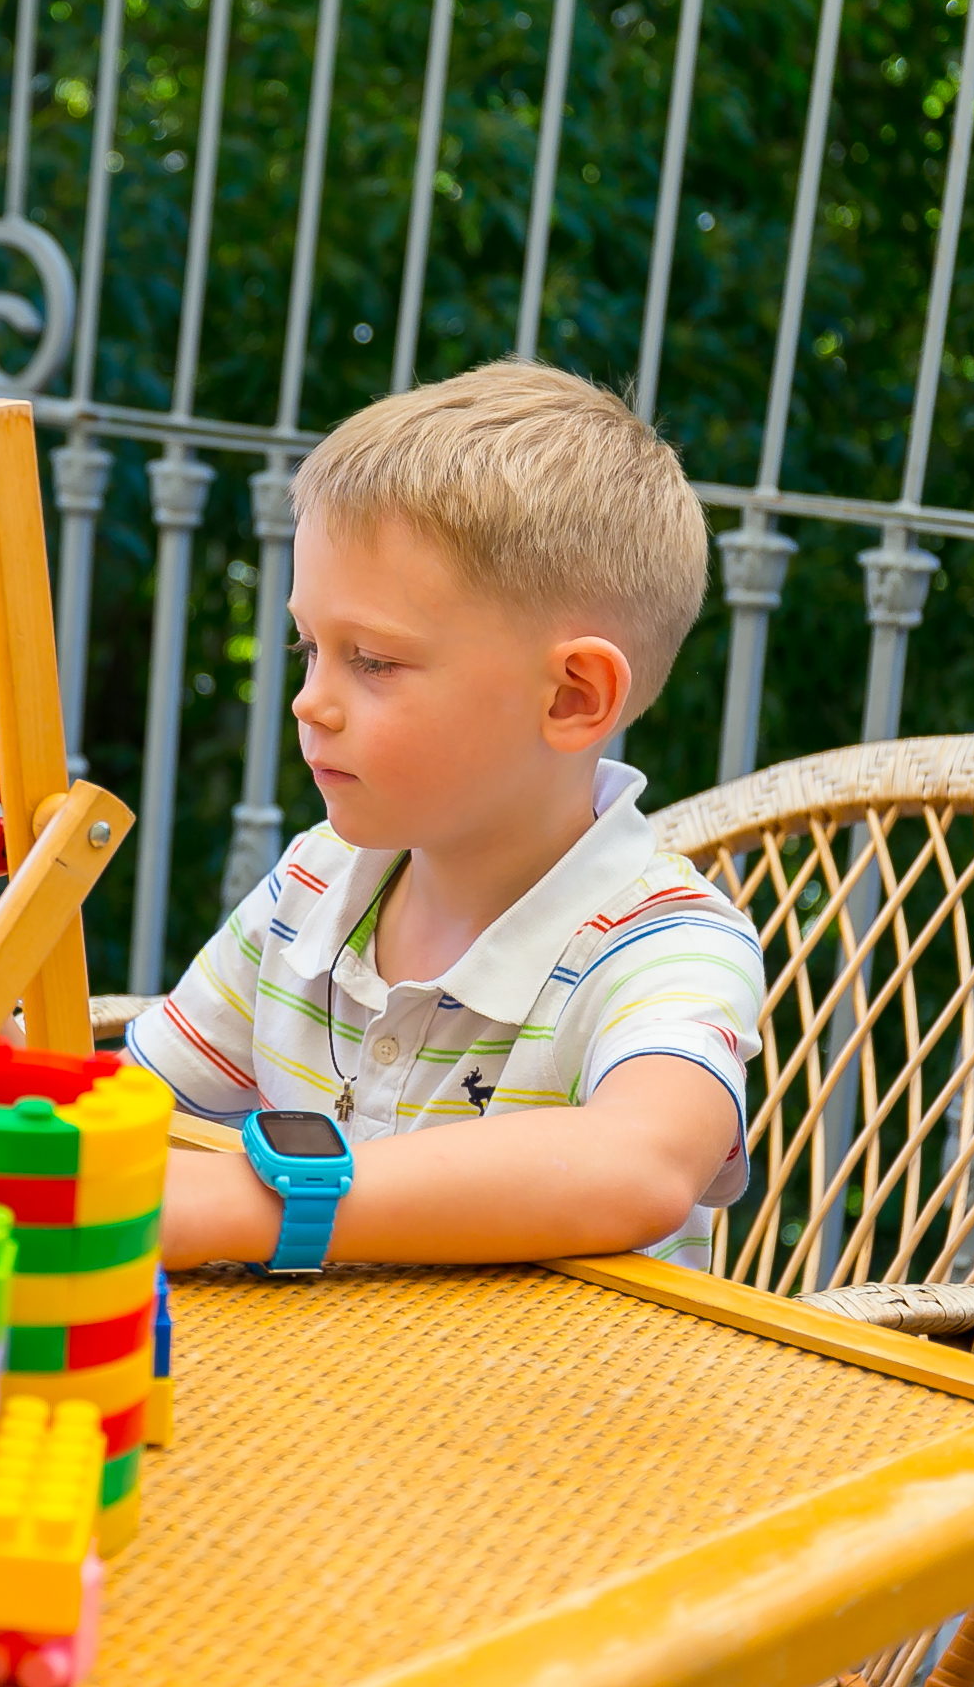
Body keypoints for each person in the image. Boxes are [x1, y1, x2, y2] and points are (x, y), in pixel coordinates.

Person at [132, 359, 764, 1274]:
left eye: (374, 661)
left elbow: (641, 1165)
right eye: (309, 648)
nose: (310, 701)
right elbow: (139, 1109)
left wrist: (261, 1207)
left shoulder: (667, 946)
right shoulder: (311, 885)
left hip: (561, 1372)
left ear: (573, 697)